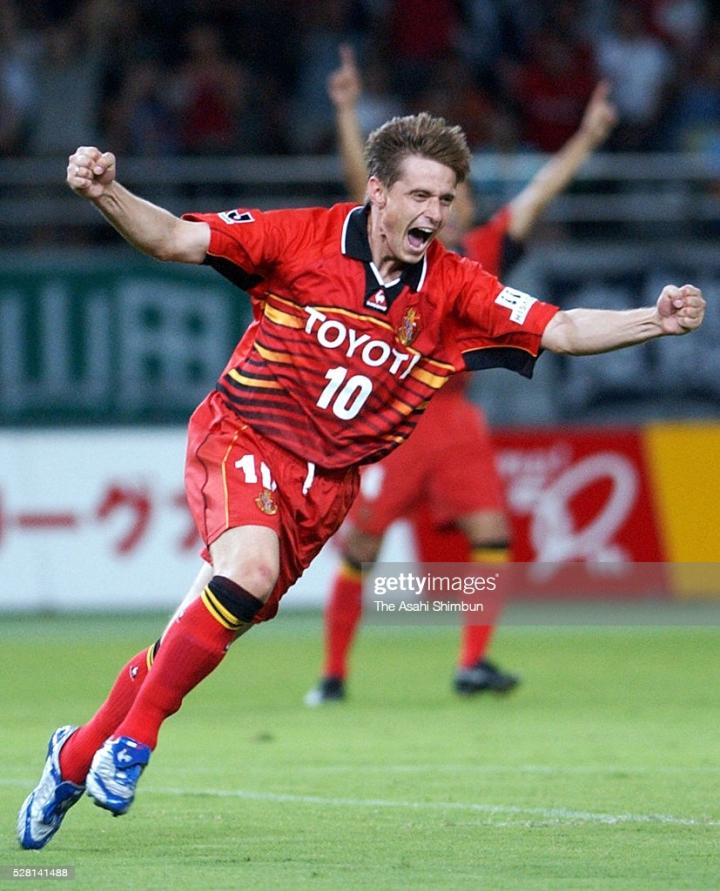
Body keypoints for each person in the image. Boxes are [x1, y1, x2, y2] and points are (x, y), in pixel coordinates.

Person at [17, 112, 704, 850]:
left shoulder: (455, 286)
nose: (435, 214)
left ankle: (75, 755)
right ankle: (135, 743)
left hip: (325, 489)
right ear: (378, 193)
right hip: (242, 434)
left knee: (201, 628)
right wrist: (108, 193)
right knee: (247, 573)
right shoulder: (300, 237)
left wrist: (652, 321)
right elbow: (174, 239)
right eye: (420, 196)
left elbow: (561, 328)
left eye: (445, 199)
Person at [305, 46, 618, 705]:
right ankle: (332, 674)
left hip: (454, 419)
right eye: (437, 195)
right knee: (362, 547)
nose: (448, 205)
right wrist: (346, 110)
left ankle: (472, 661)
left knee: (492, 537)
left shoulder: (481, 255)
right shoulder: (388, 249)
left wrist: (588, 138)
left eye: (457, 195)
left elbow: (539, 193)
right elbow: (360, 181)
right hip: (393, 418)